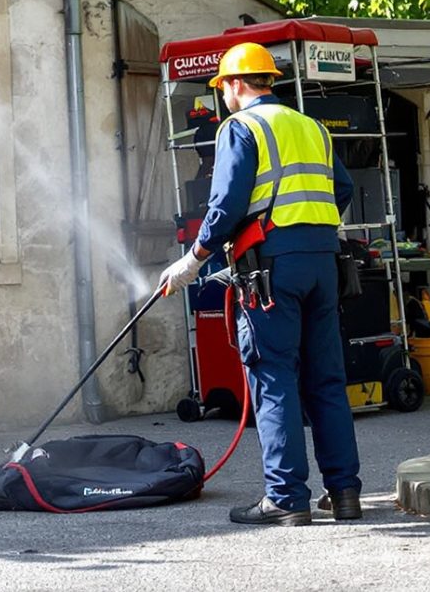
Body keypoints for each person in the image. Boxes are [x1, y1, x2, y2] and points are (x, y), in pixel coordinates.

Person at [157, 41, 361, 526]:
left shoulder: (241, 126)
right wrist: (307, 232)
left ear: (234, 84)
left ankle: (287, 498)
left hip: (272, 269)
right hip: (322, 261)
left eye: (222, 87)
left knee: (274, 378)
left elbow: (226, 205)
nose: (223, 96)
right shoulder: (310, 126)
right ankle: (345, 493)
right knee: (327, 380)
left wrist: (193, 260)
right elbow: (344, 189)